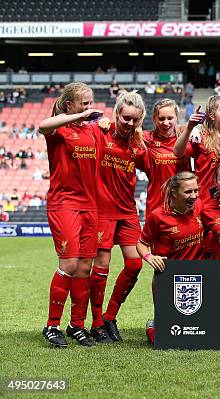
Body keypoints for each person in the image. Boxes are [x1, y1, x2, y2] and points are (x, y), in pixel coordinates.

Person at [38, 82, 105, 347]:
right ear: (70, 106)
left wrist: (104, 123)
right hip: (64, 204)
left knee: (85, 268)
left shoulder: (92, 131)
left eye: (90, 103)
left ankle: (76, 325)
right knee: (68, 264)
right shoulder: (59, 129)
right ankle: (51, 325)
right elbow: (43, 125)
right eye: (84, 103)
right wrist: (81, 117)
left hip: (91, 206)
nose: (89, 108)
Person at [90, 91, 147, 343]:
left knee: (135, 264)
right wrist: (100, 123)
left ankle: (110, 316)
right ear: (116, 113)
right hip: (102, 211)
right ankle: (96, 323)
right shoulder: (101, 132)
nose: (129, 124)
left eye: (135, 119)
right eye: (125, 118)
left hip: (127, 211)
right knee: (101, 267)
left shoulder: (138, 143)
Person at [137, 171, 205, 343]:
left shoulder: (199, 207)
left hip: (199, 276)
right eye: (188, 192)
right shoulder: (158, 216)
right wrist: (149, 256)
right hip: (167, 277)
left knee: (199, 331)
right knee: (167, 336)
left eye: (196, 191)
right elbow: (141, 243)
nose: (194, 196)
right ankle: (154, 324)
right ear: (174, 193)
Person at [174, 96, 220, 196]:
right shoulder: (201, 137)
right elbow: (177, 152)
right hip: (205, 202)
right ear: (212, 115)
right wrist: (190, 127)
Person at [140, 99, 192, 219]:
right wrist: (107, 122)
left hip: (184, 204)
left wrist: (195, 130)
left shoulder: (187, 136)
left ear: (176, 118)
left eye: (170, 118)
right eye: (161, 118)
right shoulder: (146, 138)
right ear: (154, 119)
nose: (166, 122)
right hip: (157, 204)